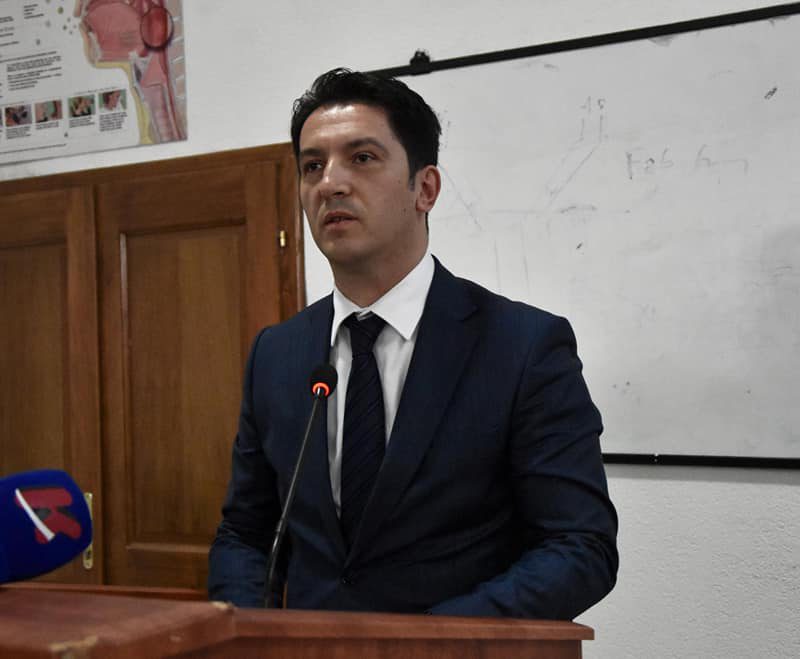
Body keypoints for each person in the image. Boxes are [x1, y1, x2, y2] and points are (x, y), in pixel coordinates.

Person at [208, 68, 618, 619]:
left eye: (362, 158)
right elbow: (245, 533)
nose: (330, 184)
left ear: (425, 189)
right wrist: (246, 634)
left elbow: (580, 547)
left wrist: (427, 644)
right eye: (312, 166)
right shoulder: (276, 354)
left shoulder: (522, 346)